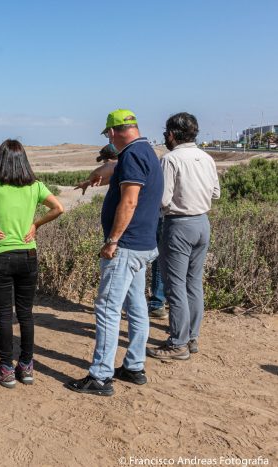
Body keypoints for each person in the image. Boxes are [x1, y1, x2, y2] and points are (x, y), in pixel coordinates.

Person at [66, 109, 163, 396]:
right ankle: (134, 366)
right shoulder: (145, 151)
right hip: (143, 245)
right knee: (136, 307)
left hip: (126, 246)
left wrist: (112, 240)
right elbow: (114, 171)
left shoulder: (132, 155)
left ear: (111, 132)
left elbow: (129, 201)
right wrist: (93, 177)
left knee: (108, 308)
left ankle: (101, 376)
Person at [0, 139, 64, 388]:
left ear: (0, 159)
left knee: (4, 314)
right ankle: (26, 367)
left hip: (1, 256)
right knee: (26, 313)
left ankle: (6, 368)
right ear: (24, 161)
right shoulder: (35, 186)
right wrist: (35, 225)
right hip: (28, 255)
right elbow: (58, 208)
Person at [147, 112, 220, 360]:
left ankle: (178, 344)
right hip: (202, 223)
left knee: (175, 285)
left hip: (178, 224)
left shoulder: (170, 159)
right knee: (193, 283)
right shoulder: (206, 158)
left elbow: (163, 199)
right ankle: (192, 337)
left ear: (171, 134)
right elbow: (216, 193)